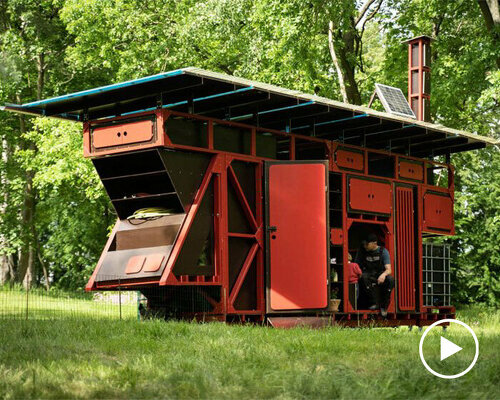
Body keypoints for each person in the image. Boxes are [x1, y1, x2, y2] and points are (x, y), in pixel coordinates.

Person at [355, 233, 394, 317]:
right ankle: (373, 303)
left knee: (390, 280)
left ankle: (384, 306)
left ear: (374, 243)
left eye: (367, 244)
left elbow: (389, 270)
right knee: (363, 278)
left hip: (379, 274)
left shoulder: (383, 251)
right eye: (364, 244)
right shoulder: (362, 251)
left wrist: (383, 275)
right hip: (367, 274)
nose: (365, 246)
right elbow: (356, 266)